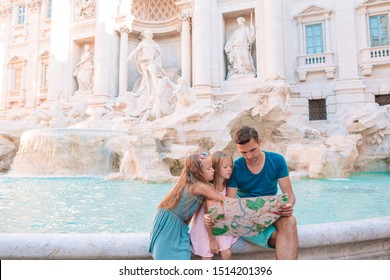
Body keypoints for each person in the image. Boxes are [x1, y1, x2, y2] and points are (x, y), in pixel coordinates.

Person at [226, 126, 298, 260]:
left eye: (252, 150)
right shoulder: (236, 167)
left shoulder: (277, 160)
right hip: (246, 217)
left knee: (290, 221)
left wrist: (288, 206)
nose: (249, 156)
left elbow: (290, 195)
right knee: (282, 239)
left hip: (271, 212)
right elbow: (229, 202)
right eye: (243, 152)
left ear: (260, 142)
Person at [148, 152, 225, 260]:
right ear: (197, 172)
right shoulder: (199, 186)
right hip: (169, 224)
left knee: (181, 255)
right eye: (208, 169)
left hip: (171, 220)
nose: (213, 170)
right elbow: (222, 199)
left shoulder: (189, 183)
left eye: (212, 167)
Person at [190, 151, 238, 260]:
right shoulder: (209, 189)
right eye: (225, 167)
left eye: (230, 166)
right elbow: (208, 217)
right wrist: (212, 240)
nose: (229, 169)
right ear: (215, 168)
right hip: (205, 226)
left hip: (220, 222)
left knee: (226, 253)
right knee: (207, 256)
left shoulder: (228, 185)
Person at [127, 30, 167, 96]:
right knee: (145, 76)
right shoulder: (142, 43)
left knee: (153, 74)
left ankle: (156, 89)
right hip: (143, 61)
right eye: (147, 34)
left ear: (151, 35)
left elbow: (160, 53)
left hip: (150, 61)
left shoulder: (155, 45)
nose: (148, 35)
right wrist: (130, 56)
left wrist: (157, 60)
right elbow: (136, 50)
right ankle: (148, 91)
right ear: (145, 36)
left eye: (149, 34)